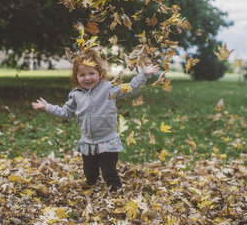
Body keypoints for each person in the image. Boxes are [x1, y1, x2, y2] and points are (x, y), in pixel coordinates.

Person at [31, 48, 159, 192]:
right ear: (76, 76)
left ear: (100, 73)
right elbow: (65, 112)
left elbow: (130, 89)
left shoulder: (108, 88)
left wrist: (143, 74)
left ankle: (116, 193)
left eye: (92, 73)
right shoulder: (76, 95)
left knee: (108, 171)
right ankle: (91, 189)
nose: (87, 78)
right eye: (82, 75)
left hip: (107, 141)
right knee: (89, 172)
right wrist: (48, 107)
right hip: (88, 142)